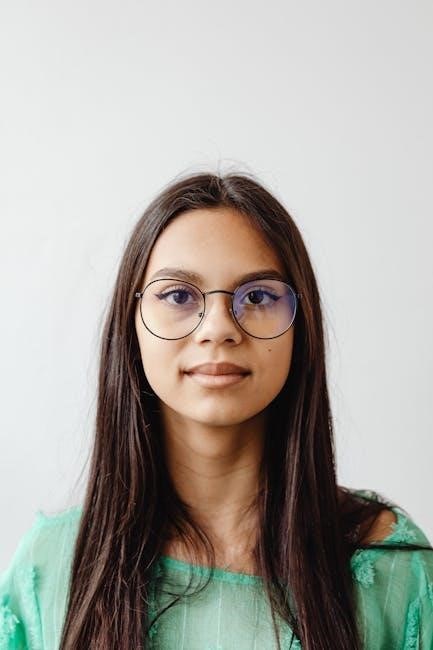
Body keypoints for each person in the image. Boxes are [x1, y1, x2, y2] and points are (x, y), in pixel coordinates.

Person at [1, 171, 432, 650]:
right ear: (131, 323)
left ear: (301, 326)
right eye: (178, 296)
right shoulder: (48, 569)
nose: (218, 328)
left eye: (258, 296)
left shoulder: (394, 570)